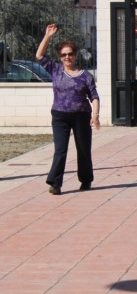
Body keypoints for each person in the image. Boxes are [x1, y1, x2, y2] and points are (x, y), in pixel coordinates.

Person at [36, 24, 100, 195]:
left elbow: (94, 96)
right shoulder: (55, 70)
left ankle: (86, 179)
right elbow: (39, 55)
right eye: (63, 55)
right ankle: (55, 184)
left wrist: (95, 115)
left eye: (70, 54)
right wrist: (48, 36)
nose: (67, 57)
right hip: (60, 116)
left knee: (83, 149)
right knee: (60, 149)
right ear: (60, 57)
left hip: (81, 116)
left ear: (75, 55)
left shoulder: (86, 76)